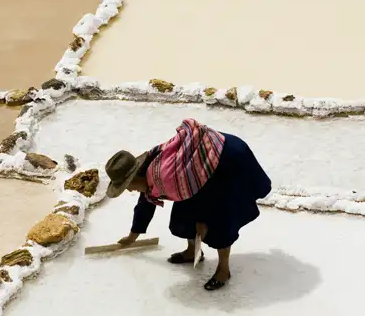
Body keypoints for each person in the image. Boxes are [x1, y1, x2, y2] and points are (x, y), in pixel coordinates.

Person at [105, 118, 272, 291]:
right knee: (181, 221)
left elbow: (205, 191)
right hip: (198, 172)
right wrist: (133, 236)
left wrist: (202, 219)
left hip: (226, 161)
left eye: (127, 186)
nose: (129, 190)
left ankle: (223, 269)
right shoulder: (149, 171)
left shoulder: (165, 177)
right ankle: (193, 251)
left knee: (219, 225)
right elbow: (146, 203)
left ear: (135, 177)